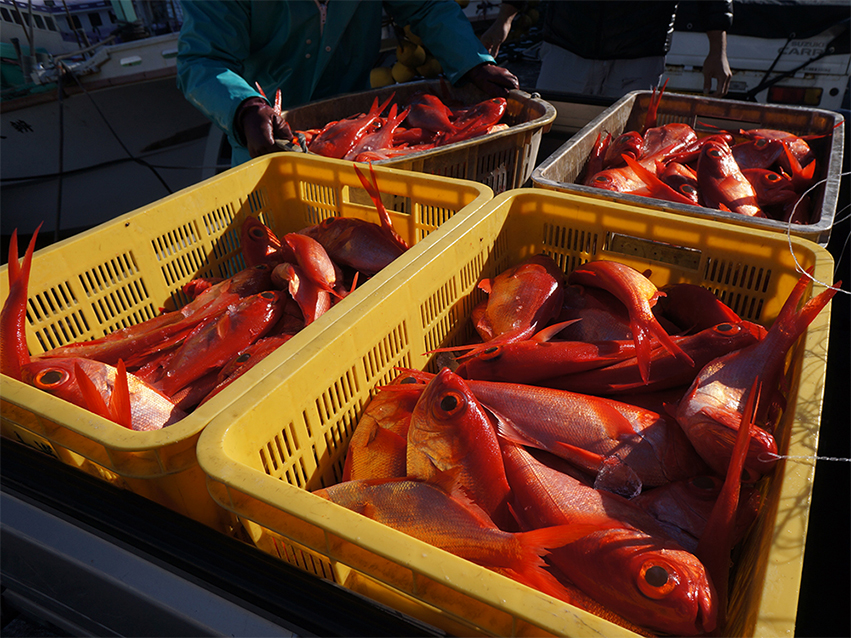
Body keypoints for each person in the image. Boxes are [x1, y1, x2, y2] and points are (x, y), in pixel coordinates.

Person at [176, 0, 519, 166]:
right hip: (264, 142)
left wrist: (473, 62)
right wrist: (244, 108)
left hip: (360, 131)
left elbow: (425, 6)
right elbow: (203, 60)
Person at [480, 1, 732, 99]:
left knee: (623, 150)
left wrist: (717, 50)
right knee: (552, 136)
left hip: (639, 54)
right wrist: (505, 17)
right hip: (568, 46)